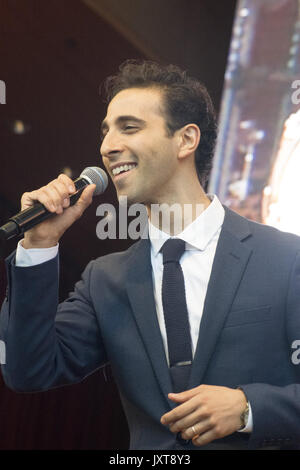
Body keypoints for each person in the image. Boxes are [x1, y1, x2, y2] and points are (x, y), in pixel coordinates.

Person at [1, 60, 300, 450]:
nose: (107, 146)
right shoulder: (106, 279)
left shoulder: (286, 259)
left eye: (129, 127)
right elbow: (28, 371)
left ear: (186, 140)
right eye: (106, 131)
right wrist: (38, 245)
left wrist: (249, 407)